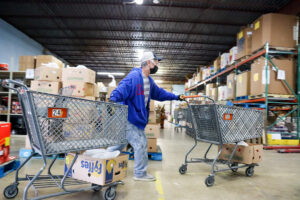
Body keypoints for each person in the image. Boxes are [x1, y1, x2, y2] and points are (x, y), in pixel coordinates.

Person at [108, 51, 184, 181]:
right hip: (130, 118)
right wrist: (112, 100)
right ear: (149, 62)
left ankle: (101, 158)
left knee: (120, 143)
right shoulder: (134, 76)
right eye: (156, 61)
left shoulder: (148, 80)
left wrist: (176, 97)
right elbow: (122, 88)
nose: (157, 64)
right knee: (141, 144)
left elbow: (160, 93)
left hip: (134, 118)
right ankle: (140, 173)